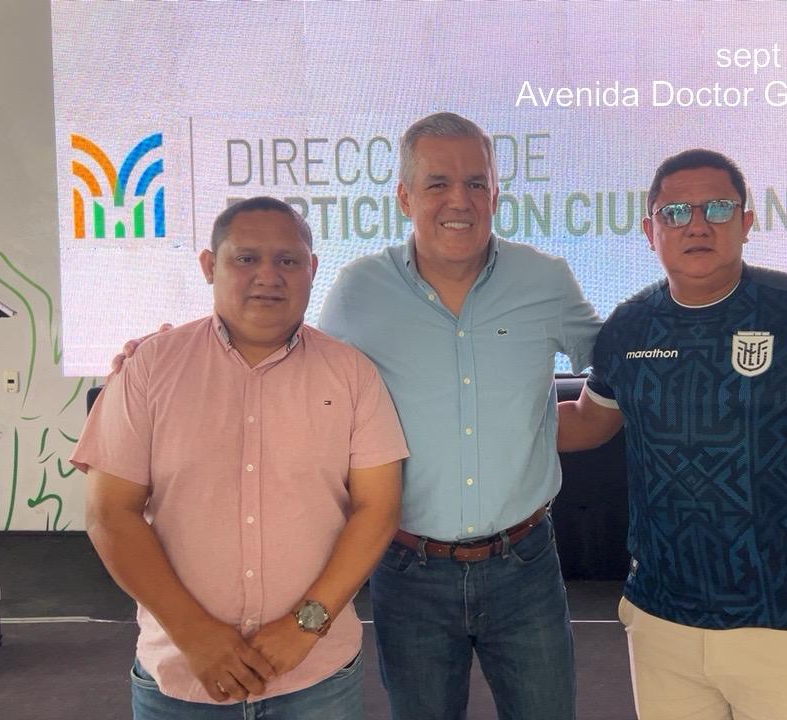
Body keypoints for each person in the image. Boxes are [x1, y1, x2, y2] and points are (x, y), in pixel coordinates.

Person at [558, 149, 787, 720]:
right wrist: (477, 425)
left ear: (747, 222)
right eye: (675, 212)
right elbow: (589, 421)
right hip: (660, 622)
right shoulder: (628, 327)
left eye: (717, 208)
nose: (697, 225)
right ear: (650, 231)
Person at [72, 197, 409, 720]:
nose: (268, 276)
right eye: (246, 258)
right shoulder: (150, 368)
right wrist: (195, 634)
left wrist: (305, 625)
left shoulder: (353, 375)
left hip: (315, 676)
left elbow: (378, 508)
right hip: (182, 676)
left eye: (288, 260)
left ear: (312, 269)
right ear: (210, 266)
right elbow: (109, 512)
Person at [317, 112, 601, 720]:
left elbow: (619, 359)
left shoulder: (545, 279)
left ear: (495, 195)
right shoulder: (358, 290)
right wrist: (165, 354)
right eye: (437, 183)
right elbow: (297, 385)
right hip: (407, 569)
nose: (459, 200)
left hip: (525, 564)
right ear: (404, 197)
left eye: (476, 183)